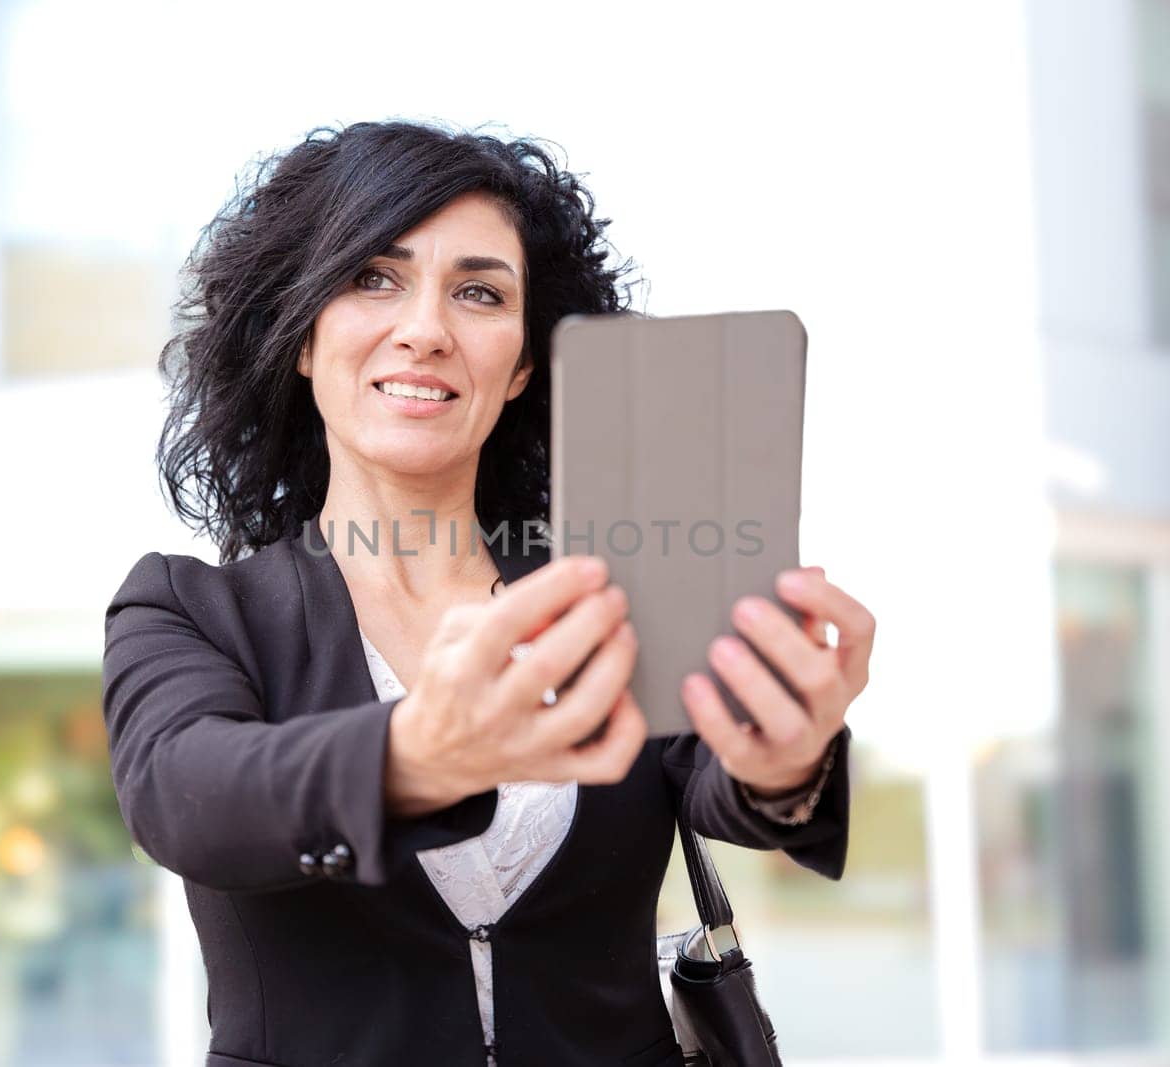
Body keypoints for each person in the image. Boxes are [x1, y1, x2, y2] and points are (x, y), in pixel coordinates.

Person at [102, 119, 876, 1067]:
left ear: (518, 367)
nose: (425, 328)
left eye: (477, 291)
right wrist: (417, 754)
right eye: (372, 277)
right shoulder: (187, 611)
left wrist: (786, 760)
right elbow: (189, 798)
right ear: (302, 337)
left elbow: (726, 783)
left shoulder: (610, 591)